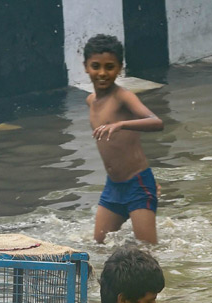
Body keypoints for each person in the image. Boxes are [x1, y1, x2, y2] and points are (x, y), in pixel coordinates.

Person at [84, 33, 165, 244]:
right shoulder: (90, 101)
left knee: (148, 251)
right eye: (96, 66)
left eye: (109, 67)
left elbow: (156, 122)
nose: (102, 73)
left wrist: (121, 124)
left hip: (138, 184)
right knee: (98, 246)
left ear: (119, 68)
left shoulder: (123, 97)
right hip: (113, 187)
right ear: (85, 67)